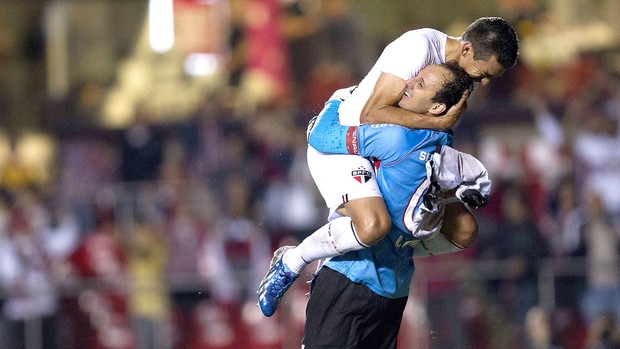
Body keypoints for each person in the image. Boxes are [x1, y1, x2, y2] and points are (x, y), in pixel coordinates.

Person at [257, 16, 518, 317]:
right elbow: (372, 113)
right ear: (468, 50)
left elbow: (435, 139)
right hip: (343, 141)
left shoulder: (463, 82)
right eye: (484, 73)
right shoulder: (417, 47)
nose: (484, 82)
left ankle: (392, 244)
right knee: (374, 226)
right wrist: (438, 122)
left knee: (464, 230)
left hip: (388, 153)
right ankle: (291, 261)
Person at [302, 62, 484, 348]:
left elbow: (322, 137)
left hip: (348, 278)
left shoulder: (396, 136)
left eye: (421, 84)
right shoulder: (444, 148)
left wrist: (337, 98)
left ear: (437, 108)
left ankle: (293, 259)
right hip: (394, 289)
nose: (409, 83)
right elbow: (465, 230)